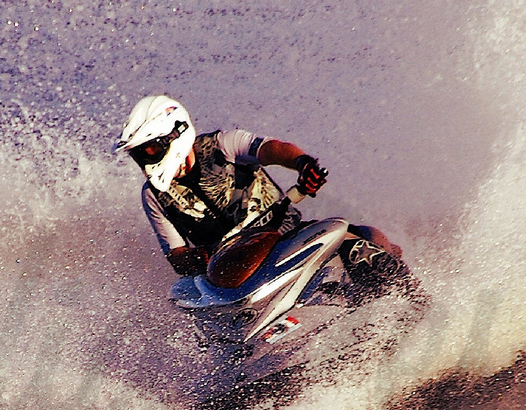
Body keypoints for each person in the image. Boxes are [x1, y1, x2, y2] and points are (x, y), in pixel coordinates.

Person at [114, 94, 403, 281]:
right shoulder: (154, 196)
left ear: (175, 134)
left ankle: (416, 309)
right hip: (232, 272)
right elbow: (176, 256)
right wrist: (197, 258)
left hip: (287, 238)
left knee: (367, 241)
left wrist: (302, 163)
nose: (145, 160)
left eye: (150, 150)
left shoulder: (222, 145)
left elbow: (273, 149)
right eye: (140, 153)